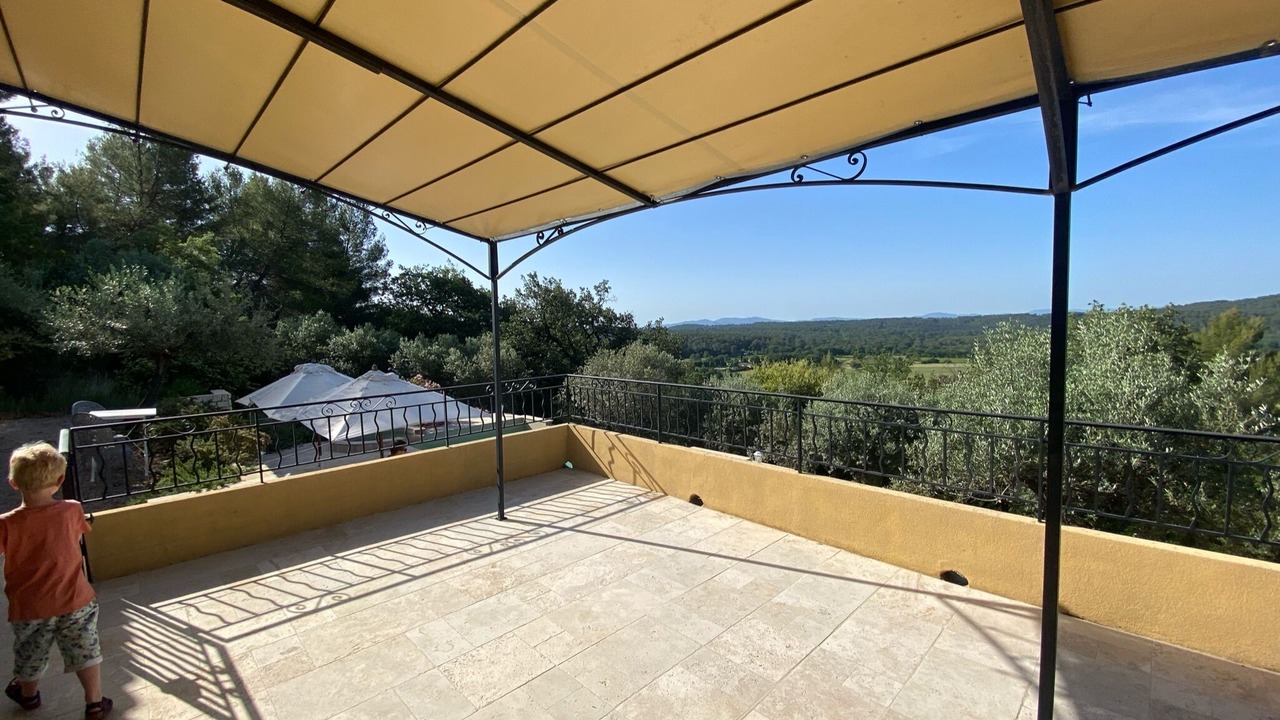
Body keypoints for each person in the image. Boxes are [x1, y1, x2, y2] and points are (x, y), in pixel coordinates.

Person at [2, 442, 111, 719]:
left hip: (29, 605)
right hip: (75, 598)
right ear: (60, 480)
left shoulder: (6, 523)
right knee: (85, 649)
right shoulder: (71, 510)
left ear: (13, 483)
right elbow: (74, 541)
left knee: (30, 652)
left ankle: (28, 696)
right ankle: (94, 703)